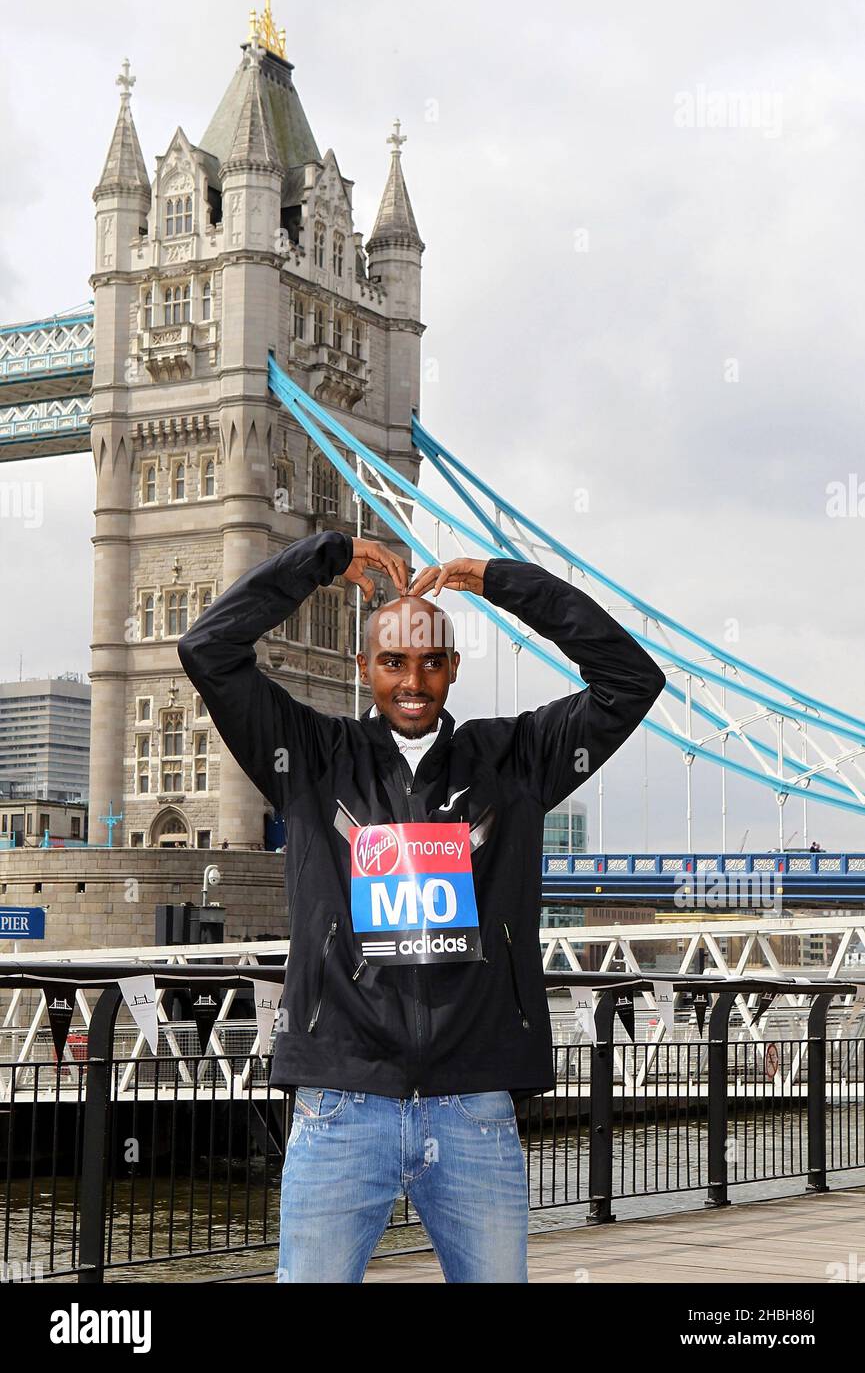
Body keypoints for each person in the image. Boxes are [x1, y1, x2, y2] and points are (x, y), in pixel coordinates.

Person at [178, 531, 665, 1282]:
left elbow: (629, 681)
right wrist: (322, 559)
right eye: (394, 662)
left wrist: (506, 584)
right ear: (365, 666)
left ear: (452, 669)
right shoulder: (307, 758)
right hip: (341, 1102)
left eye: (431, 661)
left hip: (472, 1104)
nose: (413, 680)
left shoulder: (515, 762)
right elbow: (208, 649)